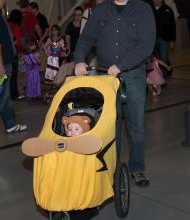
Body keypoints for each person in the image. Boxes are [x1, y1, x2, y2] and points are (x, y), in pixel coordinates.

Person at [74, 0, 156, 186]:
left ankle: (137, 169)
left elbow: (146, 45)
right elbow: (86, 38)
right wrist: (79, 59)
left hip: (133, 75)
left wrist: (121, 65)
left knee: (136, 126)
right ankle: (112, 169)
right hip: (106, 78)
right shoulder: (101, 11)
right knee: (110, 127)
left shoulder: (142, 10)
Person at [0, 0, 27, 133]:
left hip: (2, 62)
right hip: (0, 64)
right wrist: (0, 64)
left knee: (4, 95)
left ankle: (10, 124)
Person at [151, 0, 176, 78]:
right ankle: (154, 78)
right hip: (152, 39)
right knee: (153, 60)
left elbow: (172, 26)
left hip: (164, 39)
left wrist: (172, 40)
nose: (156, 1)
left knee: (163, 57)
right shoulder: (149, 9)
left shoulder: (168, 9)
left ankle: (163, 78)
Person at [8, 9, 23, 100]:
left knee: (5, 76)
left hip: (3, 54)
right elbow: (18, 42)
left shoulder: (6, 24)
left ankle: (5, 95)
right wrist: (21, 50)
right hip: (12, 54)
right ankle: (14, 95)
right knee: (13, 76)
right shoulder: (16, 26)